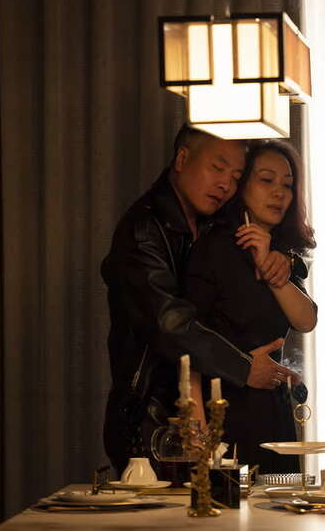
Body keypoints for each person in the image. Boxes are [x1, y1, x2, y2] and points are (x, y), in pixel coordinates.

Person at [101, 125, 303, 475]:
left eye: (235, 176)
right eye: (217, 168)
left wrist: (287, 260)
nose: (225, 184)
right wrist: (244, 367)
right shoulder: (144, 230)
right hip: (153, 418)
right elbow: (171, 323)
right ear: (182, 159)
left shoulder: (211, 222)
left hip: (214, 412)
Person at [184, 139, 317, 473]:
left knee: (282, 501)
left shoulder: (282, 254)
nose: (279, 193)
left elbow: (306, 319)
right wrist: (197, 427)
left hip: (273, 410)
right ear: (242, 186)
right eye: (266, 180)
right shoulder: (214, 249)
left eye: (288, 185)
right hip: (225, 409)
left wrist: (272, 265)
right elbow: (188, 343)